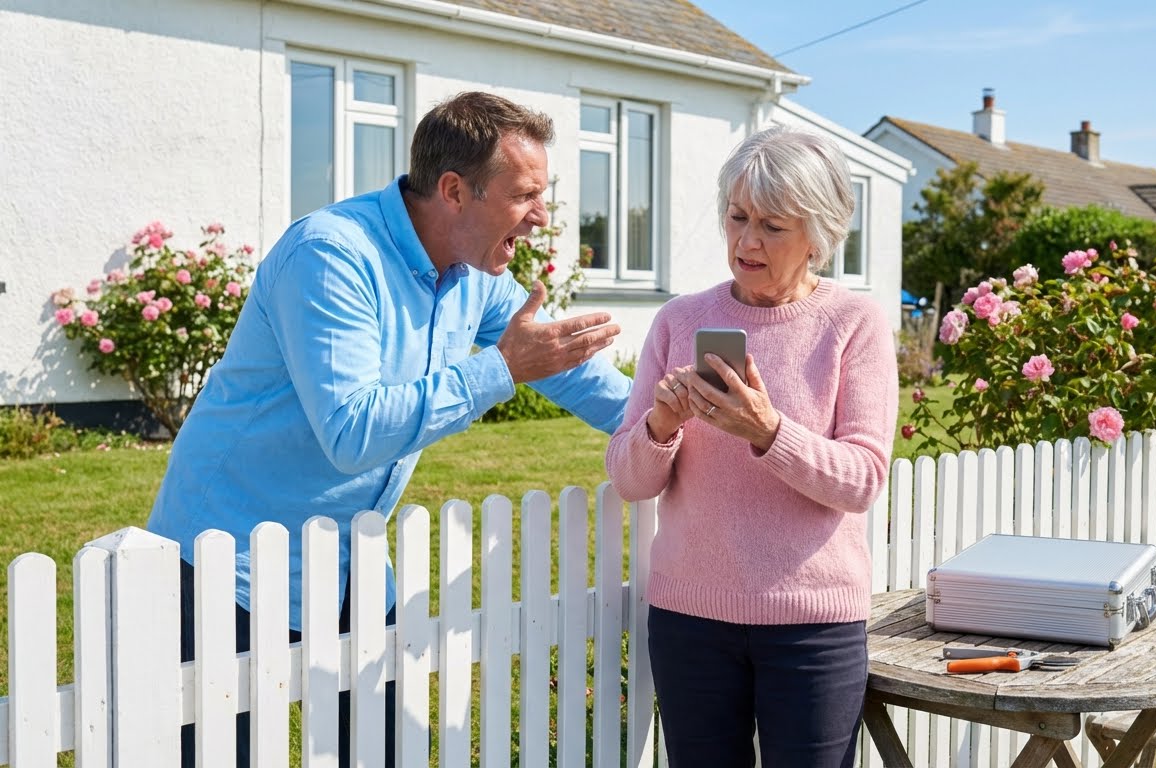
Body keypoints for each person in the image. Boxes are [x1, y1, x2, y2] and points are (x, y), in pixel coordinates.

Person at [148, 91, 631, 767]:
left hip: (350, 558)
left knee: (378, 746)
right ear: (455, 190)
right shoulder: (331, 255)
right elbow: (351, 433)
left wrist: (681, 420)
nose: (542, 217)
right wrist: (499, 370)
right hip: (229, 560)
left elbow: (570, 371)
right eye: (525, 194)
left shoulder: (471, 275)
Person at [604, 125, 898, 768]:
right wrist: (659, 427)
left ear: (817, 234)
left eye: (772, 224)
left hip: (812, 627)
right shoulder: (679, 321)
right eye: (737, 217)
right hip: (690, 621)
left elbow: (864, 479)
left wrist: (769, 432)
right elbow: (628, 481)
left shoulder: (854, 325)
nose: (746, 240)